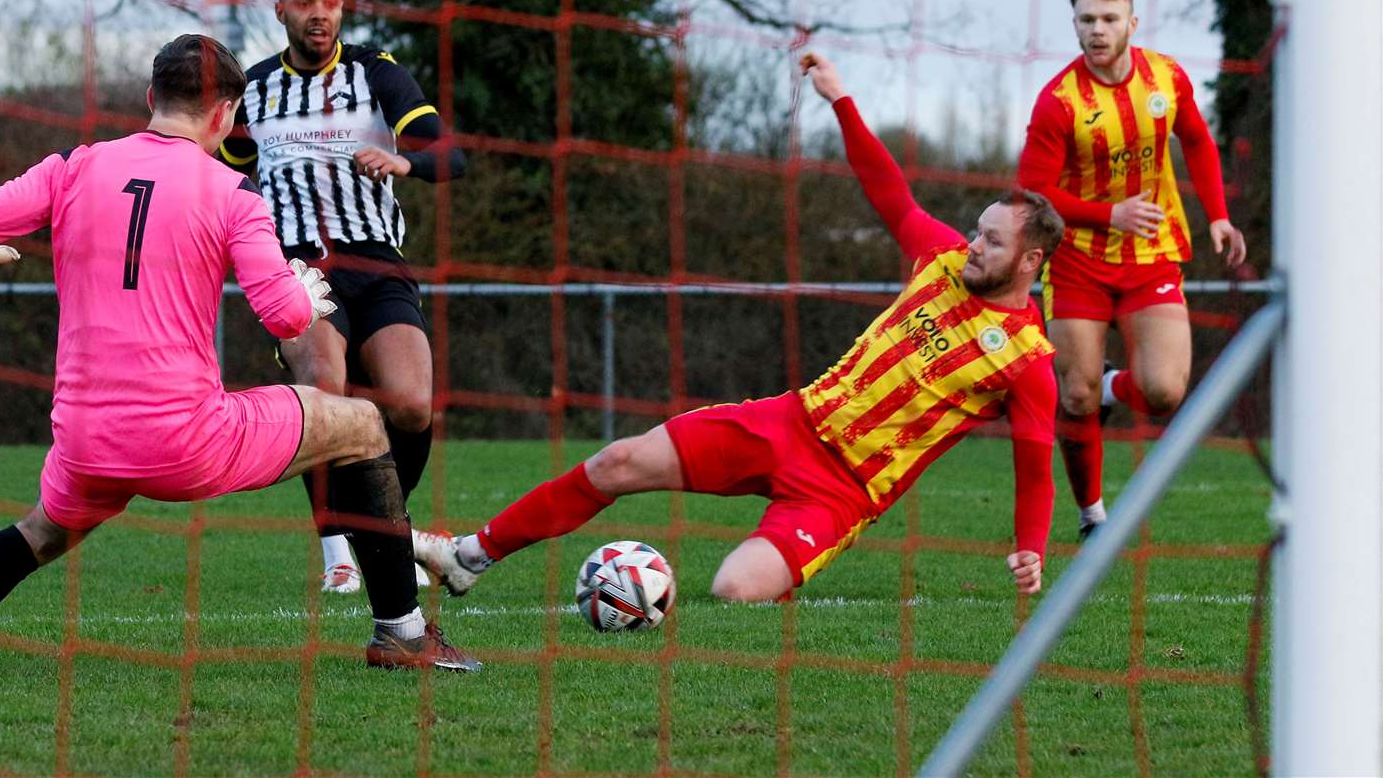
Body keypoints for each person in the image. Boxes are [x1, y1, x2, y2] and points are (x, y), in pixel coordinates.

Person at [0, 34, 477, 674]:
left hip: (86, 441)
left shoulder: (72, 167)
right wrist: (308, 294)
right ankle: (402, 634)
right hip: (187, 441)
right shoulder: (233, 192)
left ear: (150, 98)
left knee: (38, 534)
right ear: (226, 115)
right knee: (363, 424)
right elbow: (282, 314)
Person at [414, 52, 1063, 604]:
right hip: (788, 423)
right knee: (618, 460)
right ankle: (470, 556)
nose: (975, 245)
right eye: (978, 230)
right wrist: (840, 100)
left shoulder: (1027, 359)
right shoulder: (941, 259)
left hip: (840, 492)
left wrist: (1031, 547)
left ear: (1030, 260)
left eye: (993, 241)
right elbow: (887, 187)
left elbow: (1034, 468)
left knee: (733, 590)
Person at [219, 0, 466, 594]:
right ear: (282, 13)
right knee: (324, 390)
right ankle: (338, 550)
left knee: (411, 404)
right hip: (297, 269)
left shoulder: (375, 73)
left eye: (330, 0)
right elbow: (212, 166)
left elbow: (448, 152)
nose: (319, 12)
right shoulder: (254, 90)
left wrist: (404, 163)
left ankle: (386, 527)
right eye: (304, 1)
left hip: (377, 262)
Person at [1017, 0, 1246, 539]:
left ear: (1131, 22)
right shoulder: (1059, 101)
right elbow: (1034, 191)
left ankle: (1114, 386)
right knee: (1074, 393)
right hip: (1077, 263)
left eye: (1109, 19)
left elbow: (1195, 137)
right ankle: (1092, 515)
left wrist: (1217, 213)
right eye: (1086, 19)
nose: (1097, 30)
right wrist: (1108, 213)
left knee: (1165, 391)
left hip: (1152, 254)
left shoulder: (1165, 78)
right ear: (1074, 25)